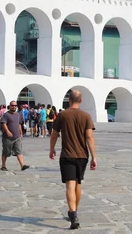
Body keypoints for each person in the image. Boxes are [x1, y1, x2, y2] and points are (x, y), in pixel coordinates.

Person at [49, 90, 97, 230]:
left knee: (70, 184)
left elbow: (54, 135)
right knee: (78, 183)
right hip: (82, 155)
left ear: (68, 100)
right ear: (80, 101)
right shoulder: (86, 116)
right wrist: (94, 157)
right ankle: (74, 211)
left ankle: (73, 213)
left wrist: (52, 149)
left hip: (67, 155)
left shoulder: (63, 115)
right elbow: (89, 137)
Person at [0, 101, 30, 171]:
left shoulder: (18, 114)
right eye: (12, 105)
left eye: (15, 105)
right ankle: (3, 165)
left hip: (17, 137)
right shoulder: (6, 115)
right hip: (7, 138)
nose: (14, 107)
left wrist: (21, 133)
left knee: (19, 151)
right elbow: (3, 123)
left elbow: (19, 124)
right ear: (9, 106)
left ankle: (22, 165)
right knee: (6, 152)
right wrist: (7, 131)